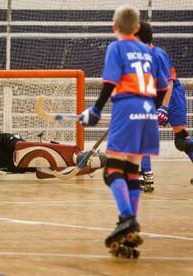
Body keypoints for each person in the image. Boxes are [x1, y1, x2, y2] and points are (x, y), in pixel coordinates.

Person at [80, 6, 168, 258]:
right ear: (138, 28)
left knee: (112, 170)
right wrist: (153, 108)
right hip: (148, 111)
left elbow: (110, 82)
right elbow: (163, 85)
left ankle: (127, 218)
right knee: (132, 170)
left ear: (114, 27)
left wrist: (96, 109)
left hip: (127, 106)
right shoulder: (150, 51)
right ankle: (128, 226)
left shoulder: (116, 47)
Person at [135, 21, 193, 193]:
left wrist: (164, 108)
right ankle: (147, 176)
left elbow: (169, 82)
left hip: (171, 95)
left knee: (181, 140)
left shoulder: (157, 55)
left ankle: (145, 175)